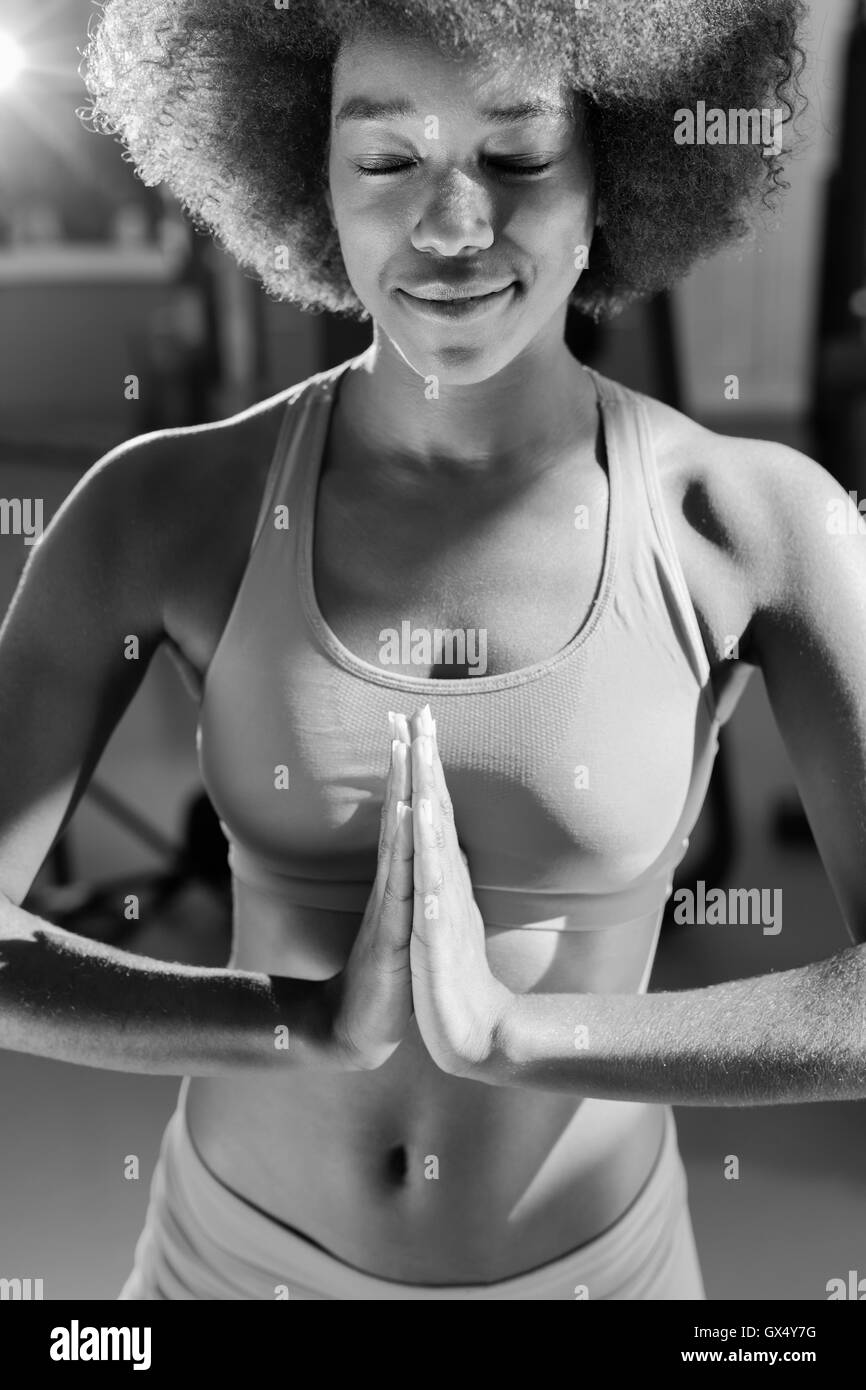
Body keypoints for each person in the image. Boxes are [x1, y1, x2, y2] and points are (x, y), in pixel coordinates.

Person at [2, 0, 864, 1301]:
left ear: (613, 174)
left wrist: (511, 1033)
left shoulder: (749, 520)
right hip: (223, 1270)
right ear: (306, 175)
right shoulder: (164, 506)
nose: (452, 228)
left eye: (515, 160)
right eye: (386, 160)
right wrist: (295, 1025)